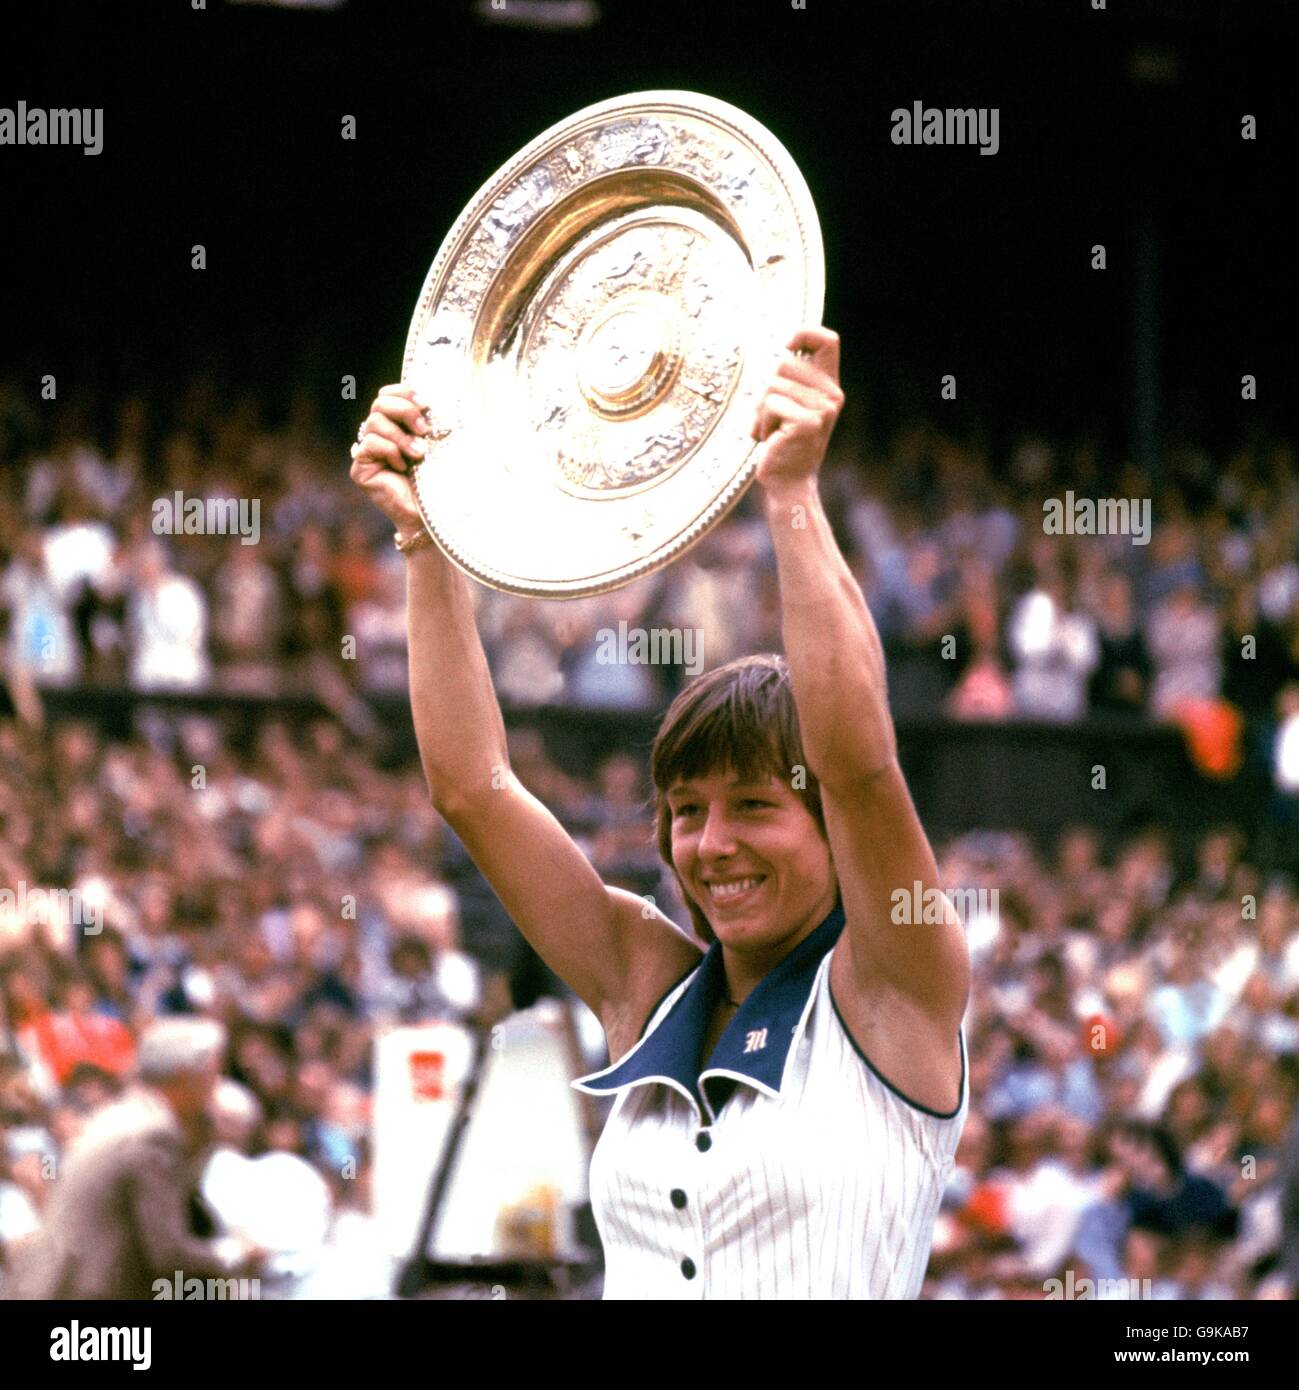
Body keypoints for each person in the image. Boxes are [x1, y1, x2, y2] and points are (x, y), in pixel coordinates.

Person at [349, 326, 971, 1299]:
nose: (712, 844)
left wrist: (792, 493)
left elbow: (856, 759)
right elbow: (472, 787)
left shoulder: (896, 985)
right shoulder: (643, 984)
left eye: (755, 805)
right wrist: (425, 536)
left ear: (828, 828)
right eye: (686, 810)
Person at [4, 1017, 262, 1299]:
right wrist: (236, 1252)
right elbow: (168, 1255)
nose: (216, 1086)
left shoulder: (122, 1114)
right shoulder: (153, 1135)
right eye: (212, 1074)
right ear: (184, 1074)